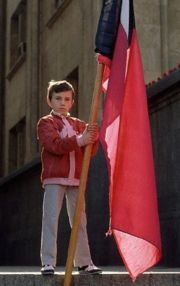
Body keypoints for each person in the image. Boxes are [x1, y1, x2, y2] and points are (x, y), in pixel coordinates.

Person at [37, 80, 102, 275]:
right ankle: (48, 262)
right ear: (50, 100)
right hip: (55, 177)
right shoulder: (46, 123)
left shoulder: (79, 124)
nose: (62, 102)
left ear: (72, 102)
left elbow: (89, 151)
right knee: (50, 219)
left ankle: (84, 261)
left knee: (79, 220)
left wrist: (93, 136)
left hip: (76, 178)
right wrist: (80, 139)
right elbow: (54, 145)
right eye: (58, 98)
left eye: (67, 99)